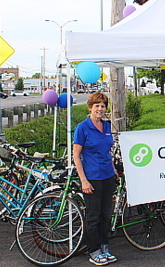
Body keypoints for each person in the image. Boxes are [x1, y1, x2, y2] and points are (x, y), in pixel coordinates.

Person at [73, 92, 118, 266]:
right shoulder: (82, 128)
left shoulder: (106, 126)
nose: (100, 109)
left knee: (106, 214)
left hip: (107, 176)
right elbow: (76, 156)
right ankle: (94, 250)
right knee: (93, 216)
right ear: (90, 108)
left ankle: (105, 246)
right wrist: (83, 180)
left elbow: (107, 151)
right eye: (97, 106)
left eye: (103, 105)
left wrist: (113, 170)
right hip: (92, 178)